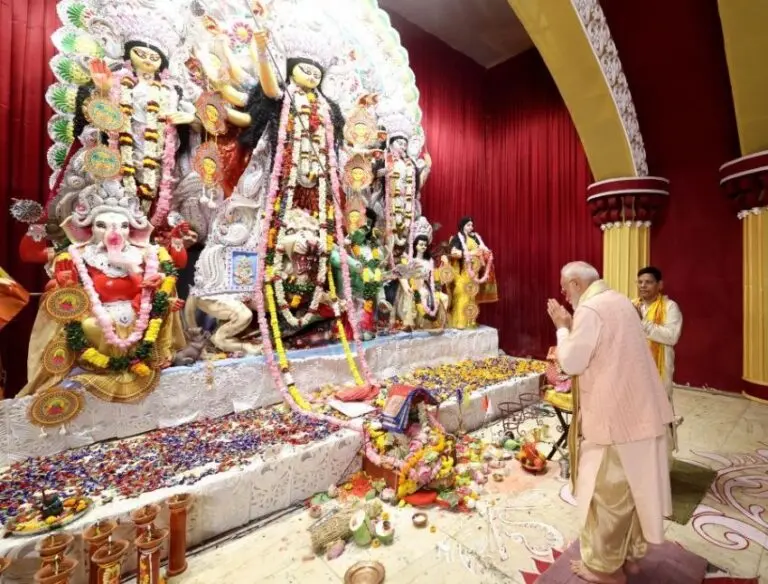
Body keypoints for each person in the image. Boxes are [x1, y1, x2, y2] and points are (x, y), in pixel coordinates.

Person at [547, 261, 673, 584]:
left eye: (565, 287)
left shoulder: (591, 309)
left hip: (615, 421)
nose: (563, 293)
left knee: (607, 496)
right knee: (633, 491)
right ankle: (628, 557)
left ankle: (606, 570)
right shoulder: (618, 301)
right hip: (641, 414)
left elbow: (572, 361)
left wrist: (562, 326)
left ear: (576, 284)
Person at [633, 266, 683, 456]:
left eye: (648, 282)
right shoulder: (632, 305)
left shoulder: (670, 307)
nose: (643, 286)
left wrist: (642, 322)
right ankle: (638, 454)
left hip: (658, 371)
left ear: (659, 285)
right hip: (634, 371)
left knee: (659, 415)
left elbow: (671, 337)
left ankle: (661, 458)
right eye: (640, 282)